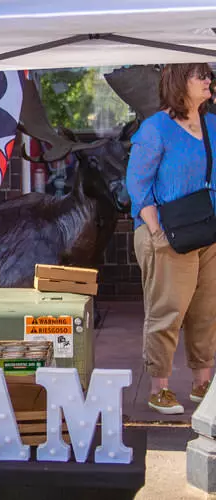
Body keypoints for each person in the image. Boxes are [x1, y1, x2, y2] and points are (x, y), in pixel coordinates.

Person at [127, 63, 216, 415]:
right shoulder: (156, 128)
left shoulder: (211, 124)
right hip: (167, 231)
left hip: (207, 230)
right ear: (179, 82)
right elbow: (137, 185)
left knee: (206, 311)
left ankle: (202, 382)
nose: (208, 80)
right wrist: (156, 232)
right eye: (200, 75)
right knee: (168, 311)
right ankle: (159, 386)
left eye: (209, 75)